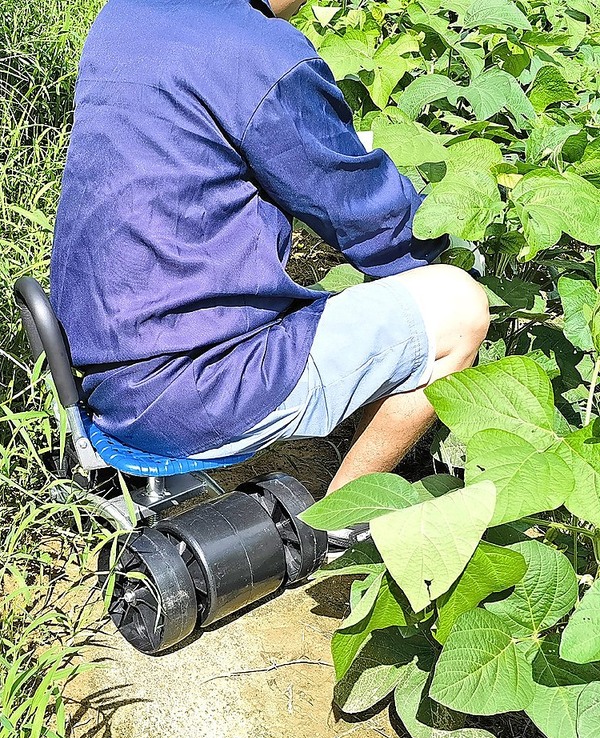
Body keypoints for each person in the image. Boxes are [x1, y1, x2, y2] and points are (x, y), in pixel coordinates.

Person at [50, 0, 489, 543]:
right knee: (459, 307)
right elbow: (372, 221)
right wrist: (458, 242)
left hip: (96, 372)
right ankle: (336, 528)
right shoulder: (262, 54)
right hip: (192, 392)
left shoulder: (129, 12)